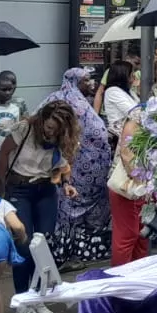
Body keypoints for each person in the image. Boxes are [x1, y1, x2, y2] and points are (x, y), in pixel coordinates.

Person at [0, 99, 79, 313]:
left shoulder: (63, 137)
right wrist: (2, 188)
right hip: (19, 188)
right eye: (48, 126)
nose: (50, 132)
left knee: (43, 245)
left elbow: (62, 164)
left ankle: (38, 296)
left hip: (45, 189)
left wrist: (66, 183)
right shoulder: (25, 129)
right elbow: (3, 153)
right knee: (24, 245)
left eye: (56, 129)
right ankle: (23, 301)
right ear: (42, 118)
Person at [41, 68, 114, 269]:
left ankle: (73, 252)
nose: (90, 83)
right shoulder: (63, 101)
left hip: (85, 169)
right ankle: (62, 254)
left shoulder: (80, 101)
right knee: (66, 208)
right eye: (86, 80)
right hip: (70, 168)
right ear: (74, 81)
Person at [108, 108, 150, 267]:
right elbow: (126, 154)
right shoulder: (137, 118)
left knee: (142, 235)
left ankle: (138, 273)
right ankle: (121, 275)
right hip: (130, 185)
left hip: (143, 185)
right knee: (128, 235)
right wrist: (140, 182)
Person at [98, 61, 138, 138]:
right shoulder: (112, 91)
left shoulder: (129, 91)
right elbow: (133, 111)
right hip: (121, 135)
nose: (134, 76)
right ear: (123, 75)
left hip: (131, 131)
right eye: (132, 73)